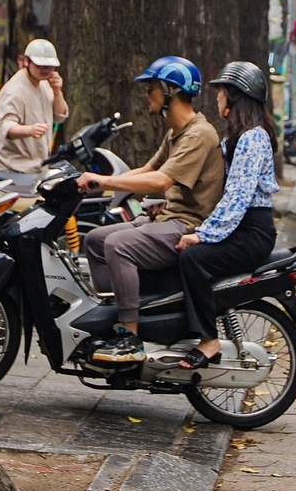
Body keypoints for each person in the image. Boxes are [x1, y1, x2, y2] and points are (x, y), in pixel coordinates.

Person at [77, 57, 226, 365]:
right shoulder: (176, 132)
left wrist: (104, 180)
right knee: (94, 240)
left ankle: (130, 337)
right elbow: (146, 170)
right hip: (167, 218)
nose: (147, 96)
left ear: (171, 90)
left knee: (118, 246)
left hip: (187, 225)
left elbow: (161, 180)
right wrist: (100, 185)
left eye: (152, 89)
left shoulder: (199, 134)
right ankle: (118, 315)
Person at [159, 62, 282, 370]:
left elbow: (238, 198)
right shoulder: (233, 138)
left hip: (253, 232)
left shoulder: (253, 138)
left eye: (222, 92)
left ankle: (208, 339)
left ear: (236, 97)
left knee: (194, 257)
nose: (217, 98)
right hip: (240, 227)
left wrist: (203, 234)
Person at [0, 38, 68, 181]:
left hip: (36, 168)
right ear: (26, 62)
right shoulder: (14, 90)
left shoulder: (45, 84)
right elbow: (7, 127)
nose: (45, 71)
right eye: (40, 66)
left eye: (50, 67)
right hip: (9, 169)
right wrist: (30, 130)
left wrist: (57, 91)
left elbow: (60, 116)